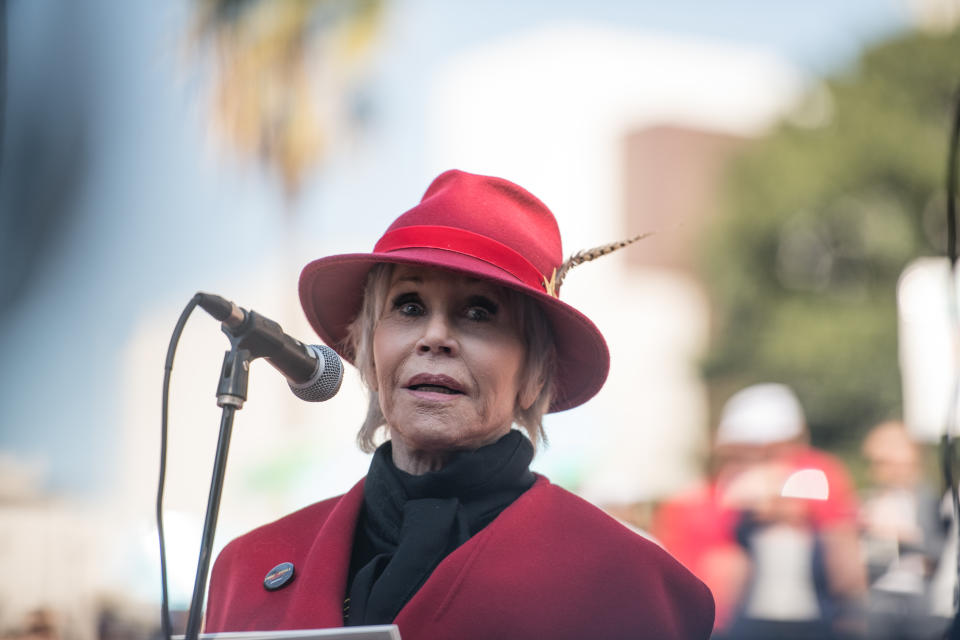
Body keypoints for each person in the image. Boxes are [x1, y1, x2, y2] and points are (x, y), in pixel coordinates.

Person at [202, 170, 715, 639]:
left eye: (478, 312)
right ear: (366, 348)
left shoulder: (627, 585)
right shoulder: (245, 570)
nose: (435, 336)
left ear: (535, 374)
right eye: (408, 306)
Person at [712, 383, 866, 639]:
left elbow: (844, 556)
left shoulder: (819, 472)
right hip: (750, 618)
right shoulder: (733, 480)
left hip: (814, 617)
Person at [859, 420, 949, 639]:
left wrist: (907, 536)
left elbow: (943, 551)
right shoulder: (870, 501)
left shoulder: (931, 501)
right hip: (878, 596)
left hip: (922, 600)